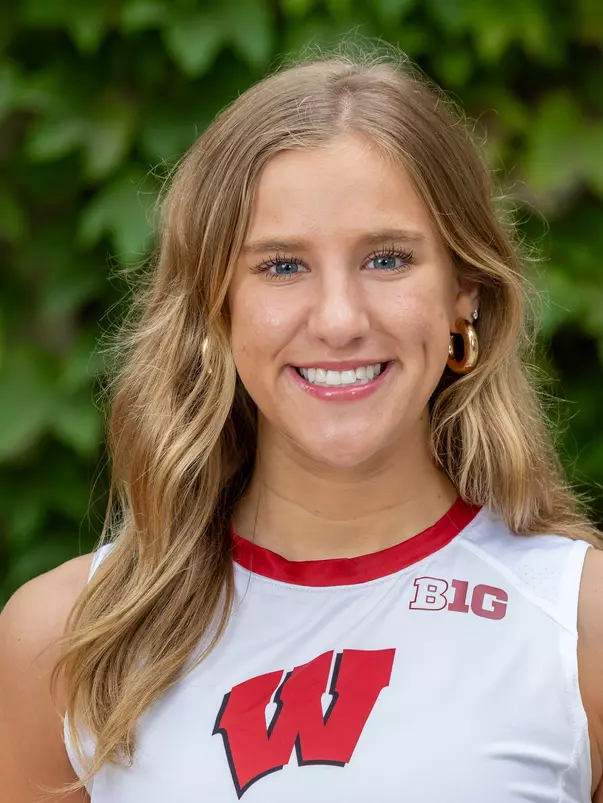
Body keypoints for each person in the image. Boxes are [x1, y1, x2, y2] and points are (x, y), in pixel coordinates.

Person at [1, 46, 603, 803]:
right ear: (214, 308)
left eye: (386, 259)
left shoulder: (577, 626)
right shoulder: (66, 637)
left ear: (465, 293)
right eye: (282, 266)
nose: (339, 320)